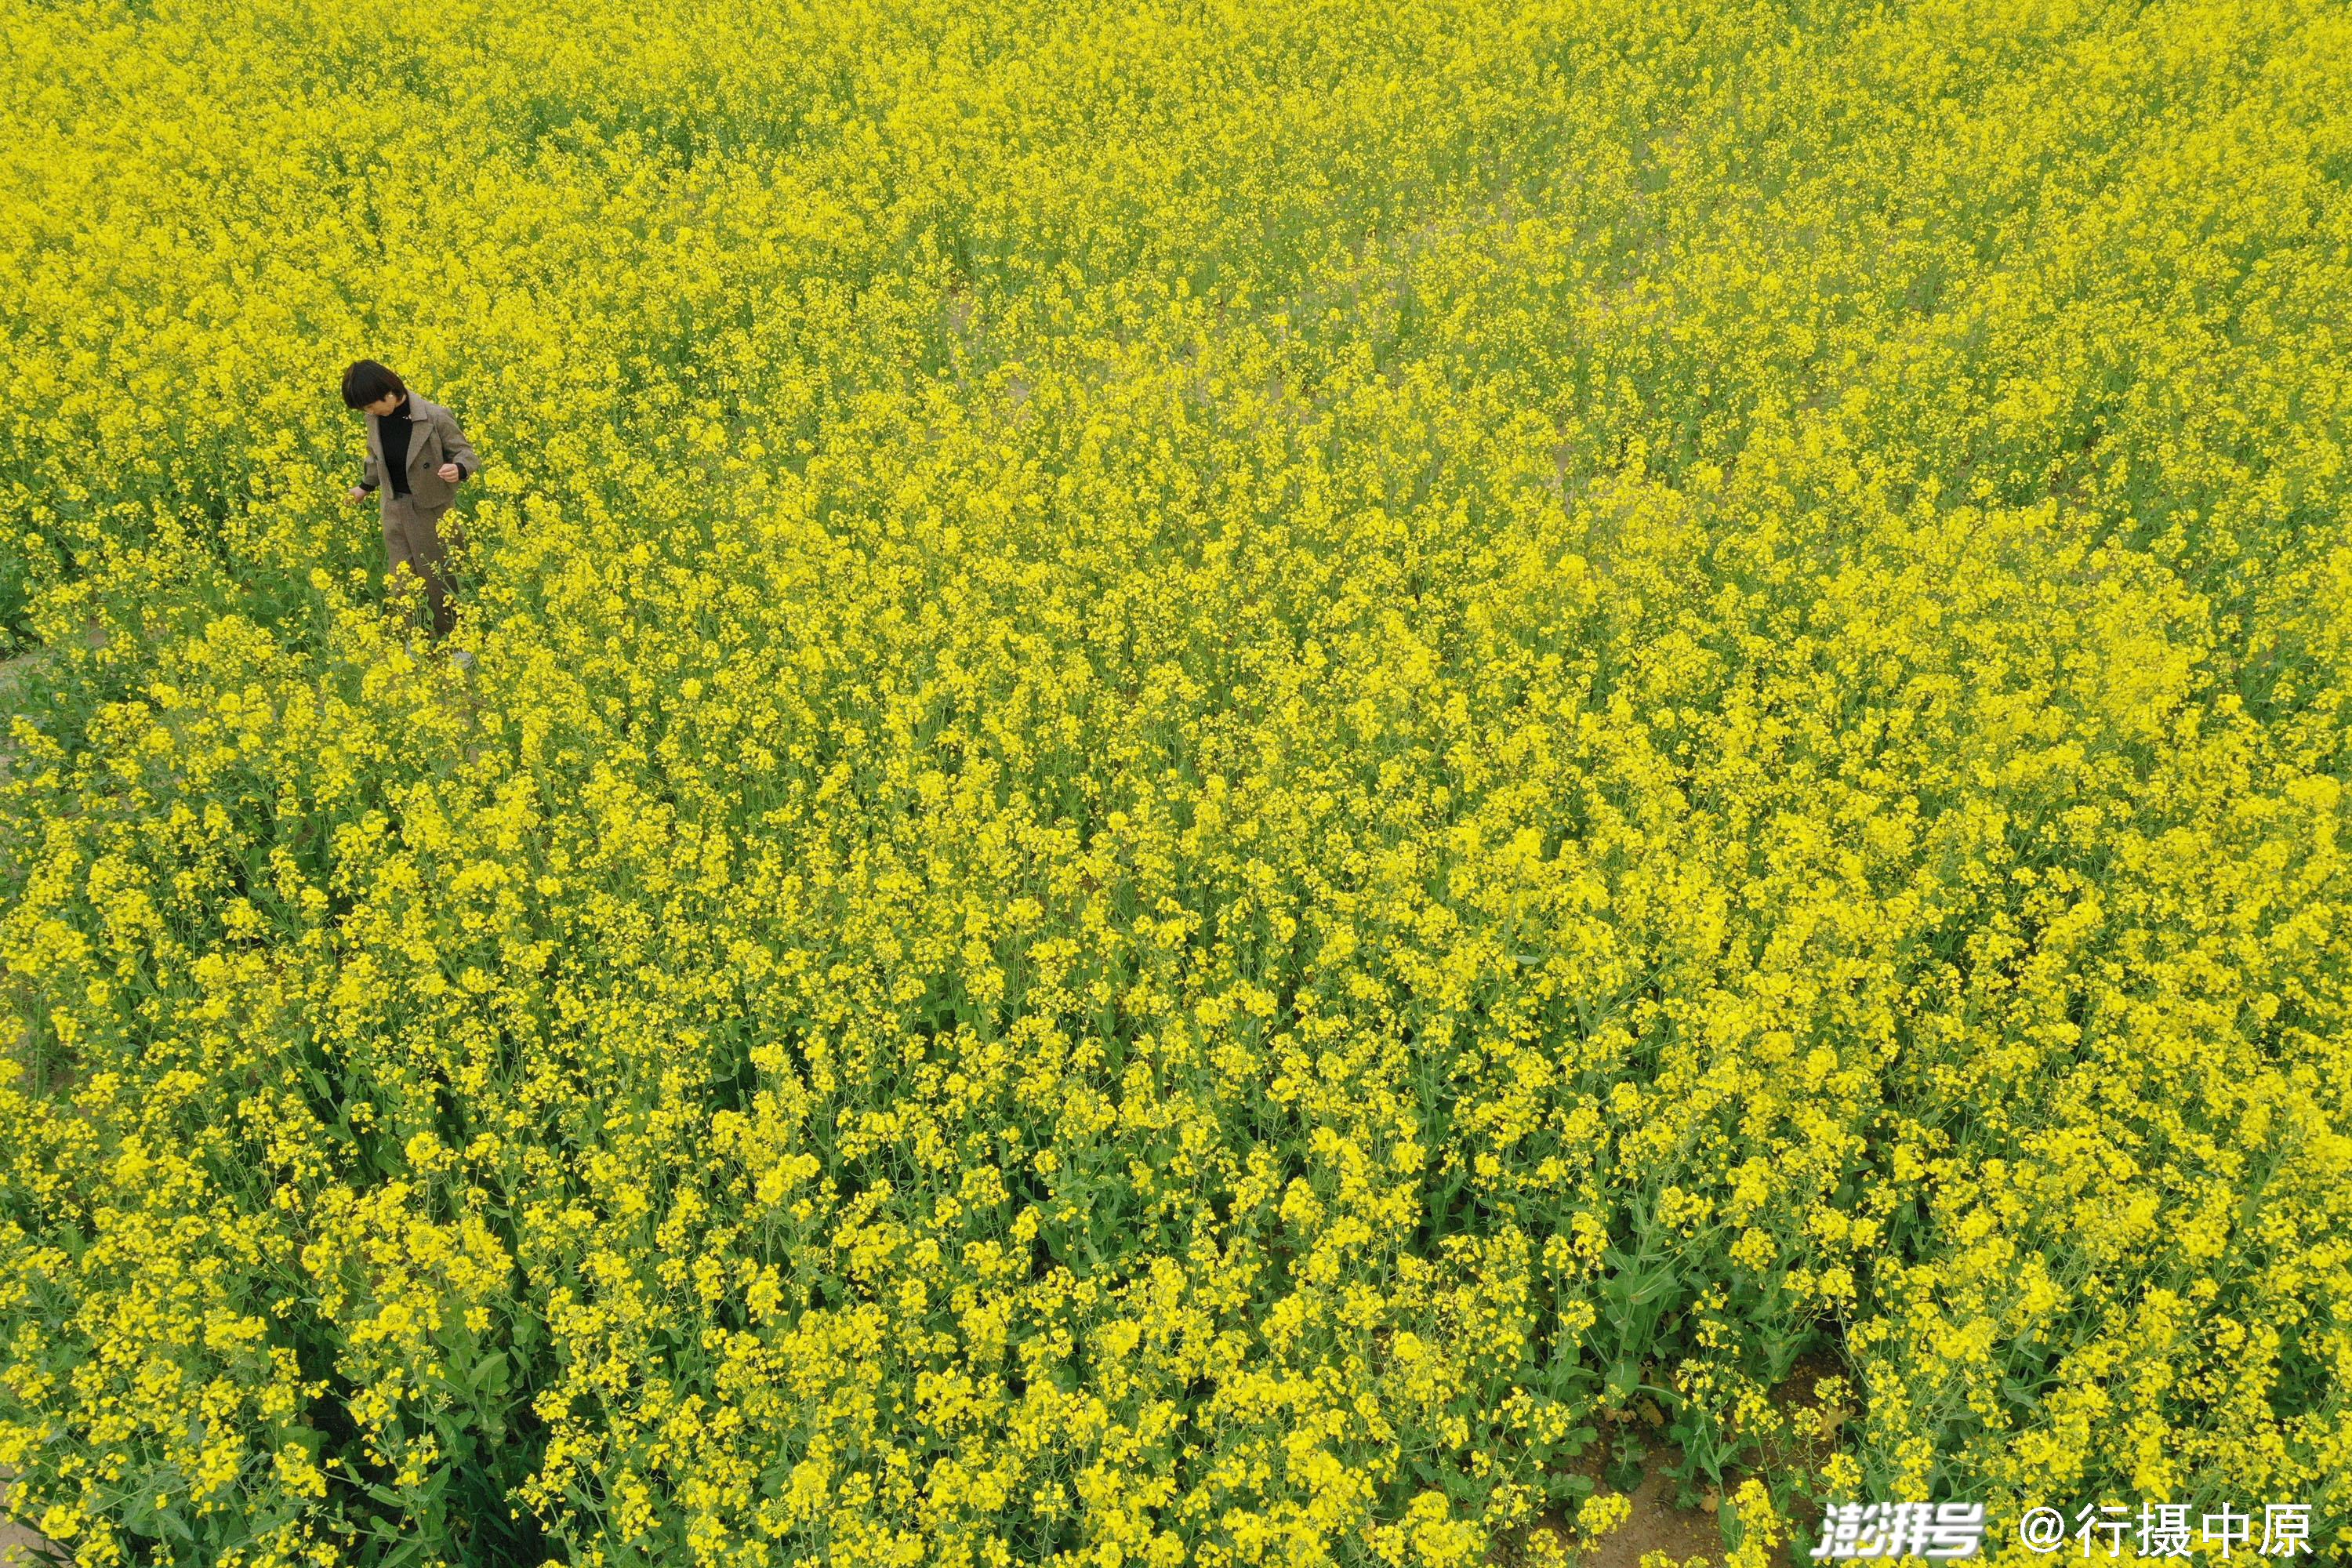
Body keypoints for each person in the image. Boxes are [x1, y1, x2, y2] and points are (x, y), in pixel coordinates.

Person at [342, 360, 481, 643]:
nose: (368, 412)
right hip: (394, 506)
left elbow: (466, 453)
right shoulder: (375, 419)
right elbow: (375, 457)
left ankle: (456, 641)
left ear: (390, 394)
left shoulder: (435, 416)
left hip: (432, 509)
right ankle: (414, 638)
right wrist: (365, 487)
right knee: (401, 580)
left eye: (370, 405)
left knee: (440, 579)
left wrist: (459, 469)